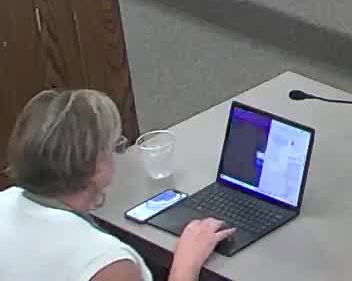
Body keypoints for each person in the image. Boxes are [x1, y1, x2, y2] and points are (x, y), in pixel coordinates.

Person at [1, 88, 231, 281]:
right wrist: (186, 264)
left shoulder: (5, 200)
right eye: (113, 147)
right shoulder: (107, 262)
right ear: (96, 167)